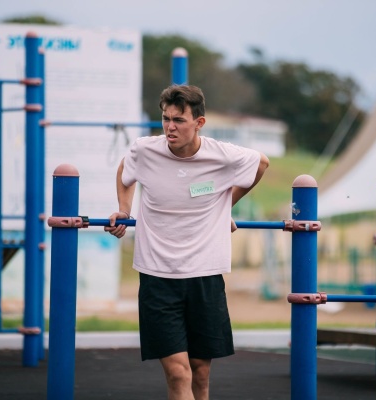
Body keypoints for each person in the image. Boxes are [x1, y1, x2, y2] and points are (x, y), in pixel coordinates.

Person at [104, 84, 269, 400]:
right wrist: (124, 210)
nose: (170, 127)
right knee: (179, 373)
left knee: (200, 374)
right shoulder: (145, 150)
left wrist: (225, 205)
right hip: (157, 277)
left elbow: (261, 163)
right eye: (166, 119)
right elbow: (125, 169)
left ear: (199, 123)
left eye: (179, 120)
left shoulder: (221, 155)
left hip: (205, 275)